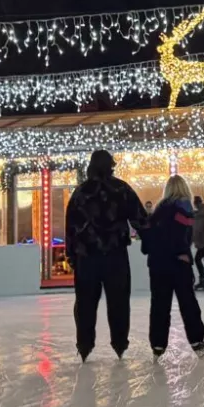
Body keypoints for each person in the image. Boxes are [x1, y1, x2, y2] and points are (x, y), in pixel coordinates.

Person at [65, 149, 147, 362]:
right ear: (111, 165)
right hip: (115, 255)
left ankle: (85, 344)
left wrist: (72, 257)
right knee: (118, 301)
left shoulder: (80, 193)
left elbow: (71, 228)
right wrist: (153, 240)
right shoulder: (121, 189)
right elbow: (140, 219)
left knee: (85, 303)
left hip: (87, 257)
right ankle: (119, 343)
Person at [142, 177, 204, 360]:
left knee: (159, 305)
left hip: (157, 264)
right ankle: (197, 341)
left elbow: (147, 238)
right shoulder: (184, 208)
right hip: (178, 263)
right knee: (188, 303)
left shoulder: (157, 211)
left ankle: (158, 344)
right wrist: (182, 253)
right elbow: (180, 235)